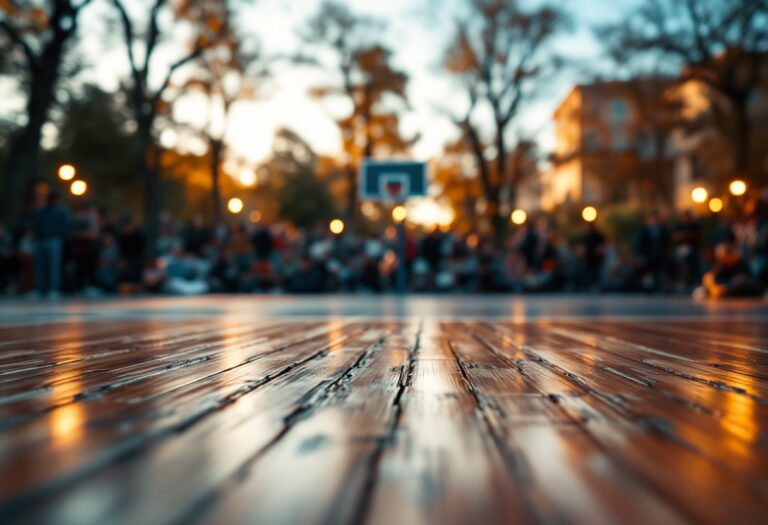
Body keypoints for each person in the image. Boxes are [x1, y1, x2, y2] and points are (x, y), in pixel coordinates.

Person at [30, 192, 69, 298]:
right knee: (40, 266)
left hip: (54, 240)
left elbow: (65, 226)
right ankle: (40, 289)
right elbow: (33, 225)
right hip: (41, 240)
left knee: (53, 266)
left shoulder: (61, 212)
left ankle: (53, 289)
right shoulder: (40, 211)